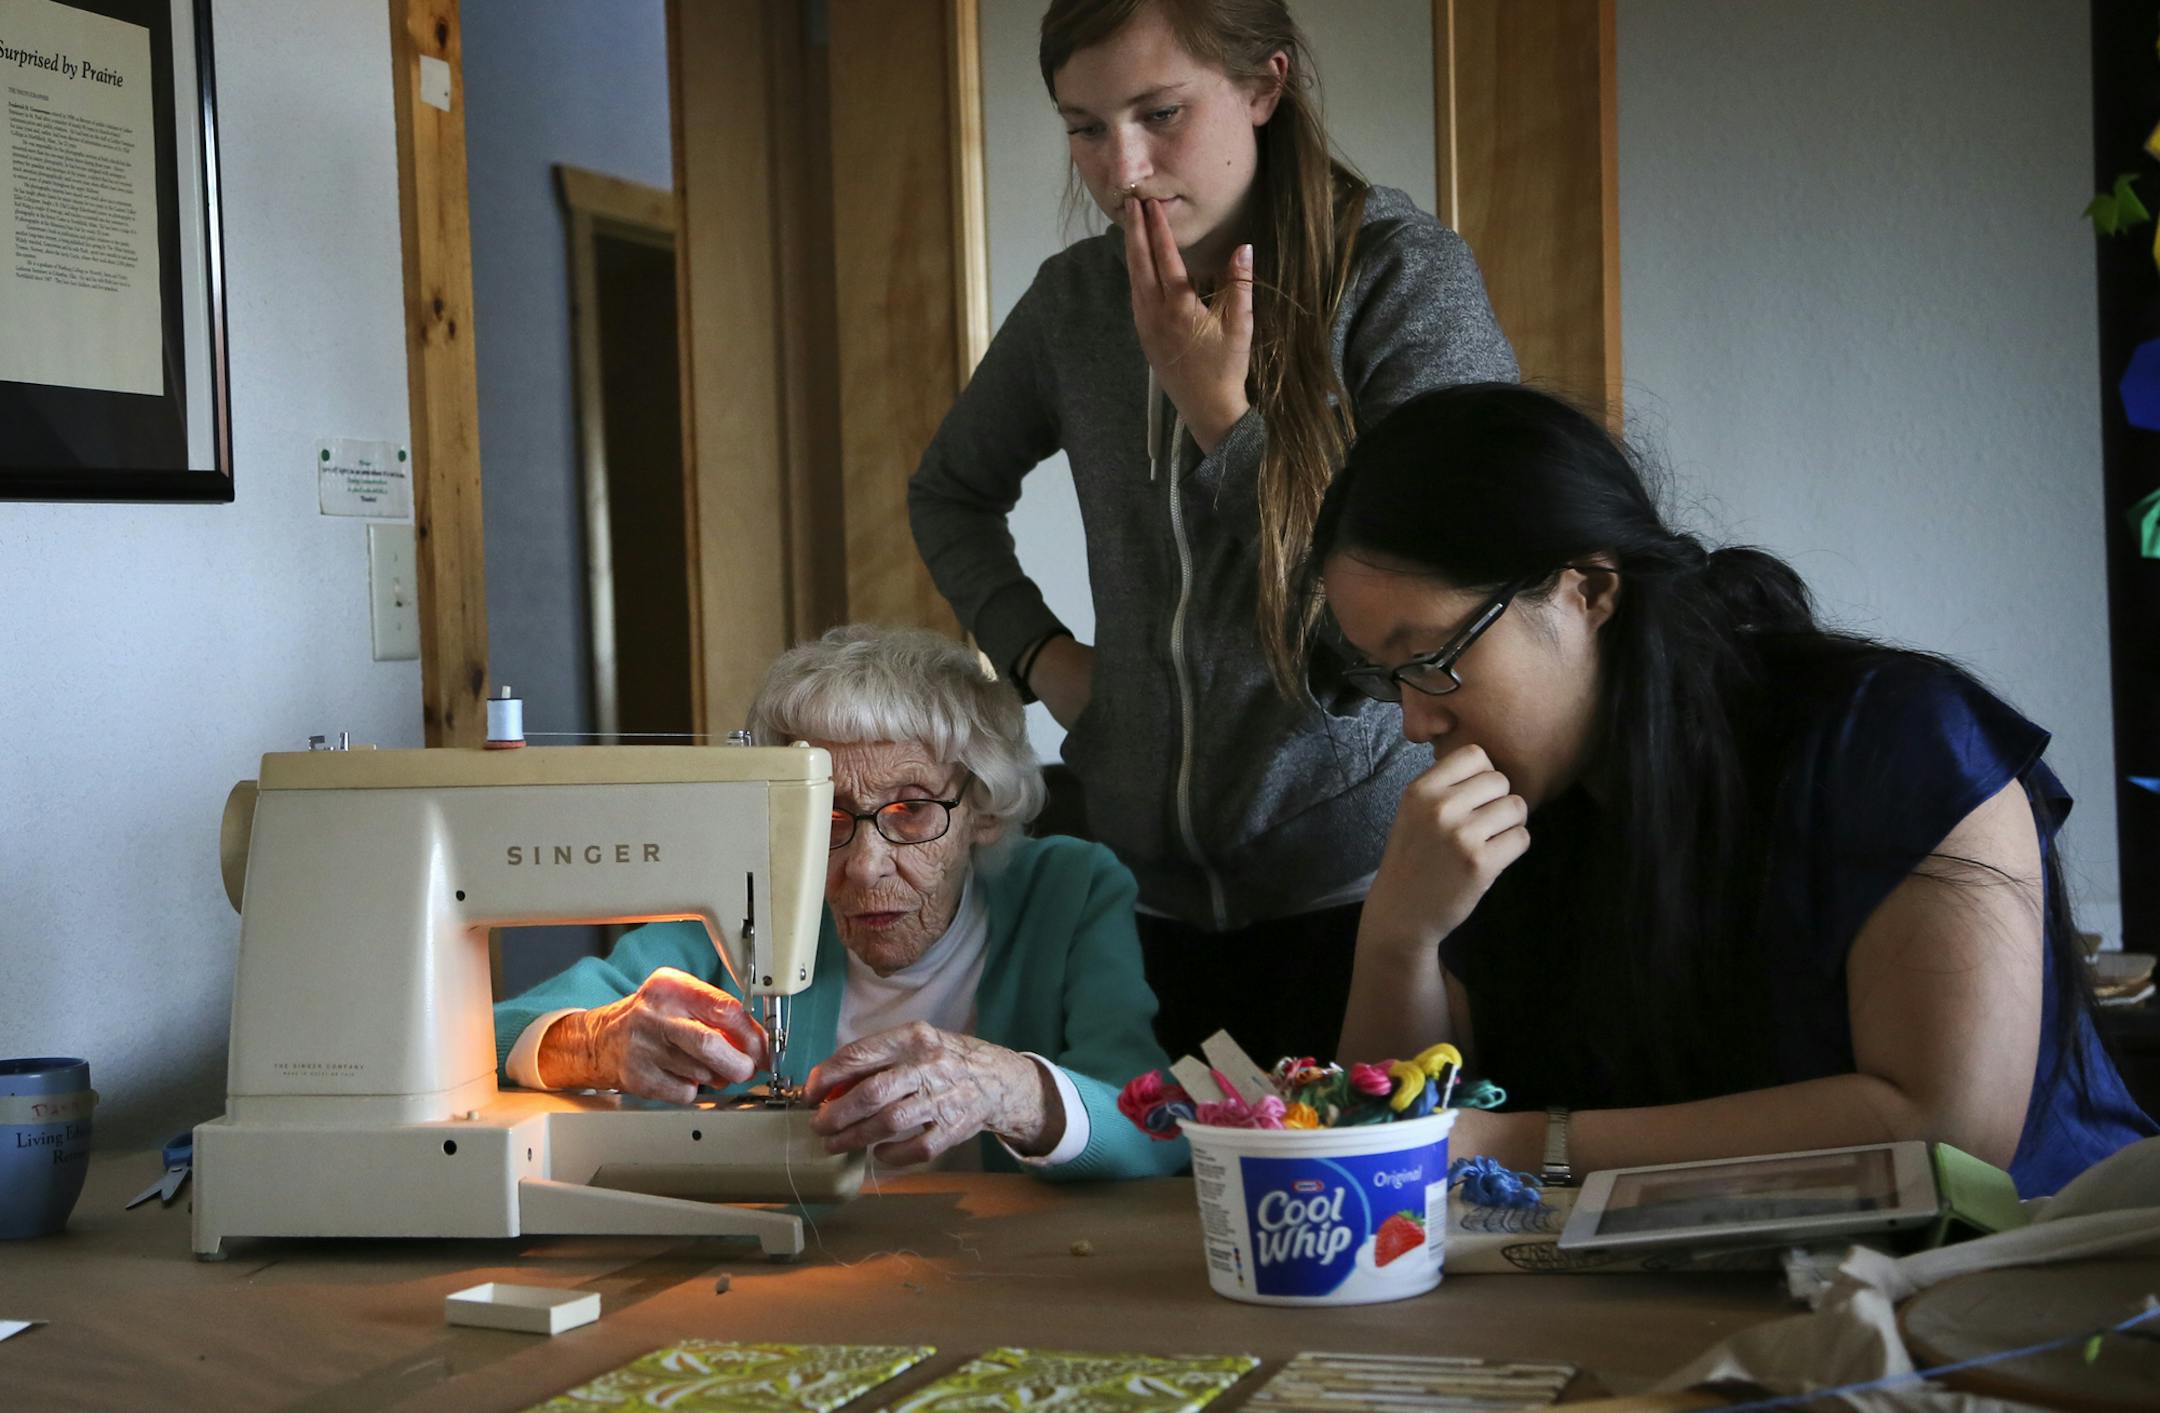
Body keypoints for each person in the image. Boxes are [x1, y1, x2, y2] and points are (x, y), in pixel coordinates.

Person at [1310, 382, 2156, 1197]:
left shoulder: (1898, 740)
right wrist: (1398, 936)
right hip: (1713, 1298)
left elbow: (1947, 1135)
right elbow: (1385, 1167)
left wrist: (1530, 1143)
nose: (1417, 721)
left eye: (1432, 659)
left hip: (2040, 1281)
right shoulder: (1514, 821)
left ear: (1588, 589)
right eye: (1388, 678)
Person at [907, 0, 1518, 1065]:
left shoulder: (1400, 279)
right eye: (1085, 127)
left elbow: (1450, 616)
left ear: (1265, 87)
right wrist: (1046, 662)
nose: (1124, 167)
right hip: (1137, 909)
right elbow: (949, 492)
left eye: (1161, 113)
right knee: (1149, 1224)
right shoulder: (1075, 303)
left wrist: (1224, 425)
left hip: (1361, 902)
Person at [493, 625, 1186, 1180]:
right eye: (824, 815)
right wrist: (591, 1042)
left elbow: (1155, 1127)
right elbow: (490, 1036)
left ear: (983, 807)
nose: (864, 863)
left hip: (1011, 1269)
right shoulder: (738, 900)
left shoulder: (1069, 893)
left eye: (912, 809)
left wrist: (1013, 1090)